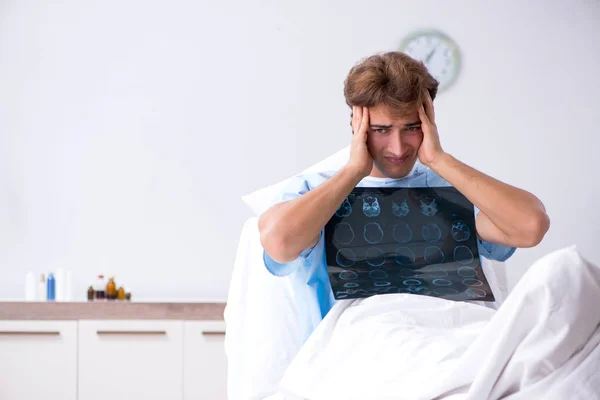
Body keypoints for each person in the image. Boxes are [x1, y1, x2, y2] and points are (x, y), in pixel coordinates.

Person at [257, 51, 550, 343]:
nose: (398, 148)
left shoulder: (452, 188)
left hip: (451, 344)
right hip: (356, 352)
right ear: (356, 124)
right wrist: (353, 171)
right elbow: (279, 242)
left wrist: (439, 159)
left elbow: (530, 226)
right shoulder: (315, 191)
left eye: (411, 128)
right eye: (381, 130)